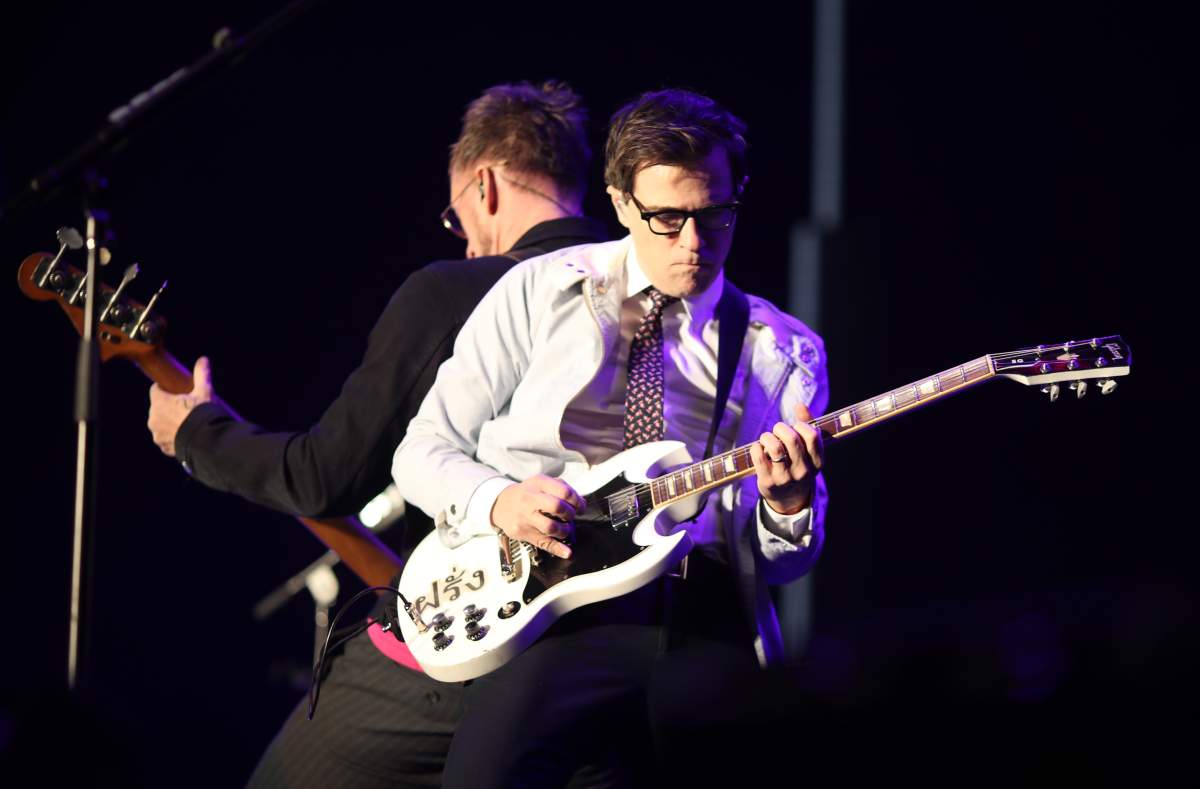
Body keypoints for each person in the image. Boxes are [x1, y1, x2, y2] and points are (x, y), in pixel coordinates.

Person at [145, 80, 608, 788]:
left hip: (473, 642)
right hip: (612, 657)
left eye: (458, 221)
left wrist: (196, 435)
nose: (463, 239)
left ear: (484, 185)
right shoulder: (646, 299)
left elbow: (326, 476)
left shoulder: (454, 290)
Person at [392, 88, 829, 787]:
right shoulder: (537, 292)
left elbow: (779, 562)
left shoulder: (784, 350)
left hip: (700, 617)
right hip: (556, 609)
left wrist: (788, 504)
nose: (693, 241)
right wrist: (497, 501)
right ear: (621, 202)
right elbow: (421, 451)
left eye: (715, 214)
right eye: (666, 216)